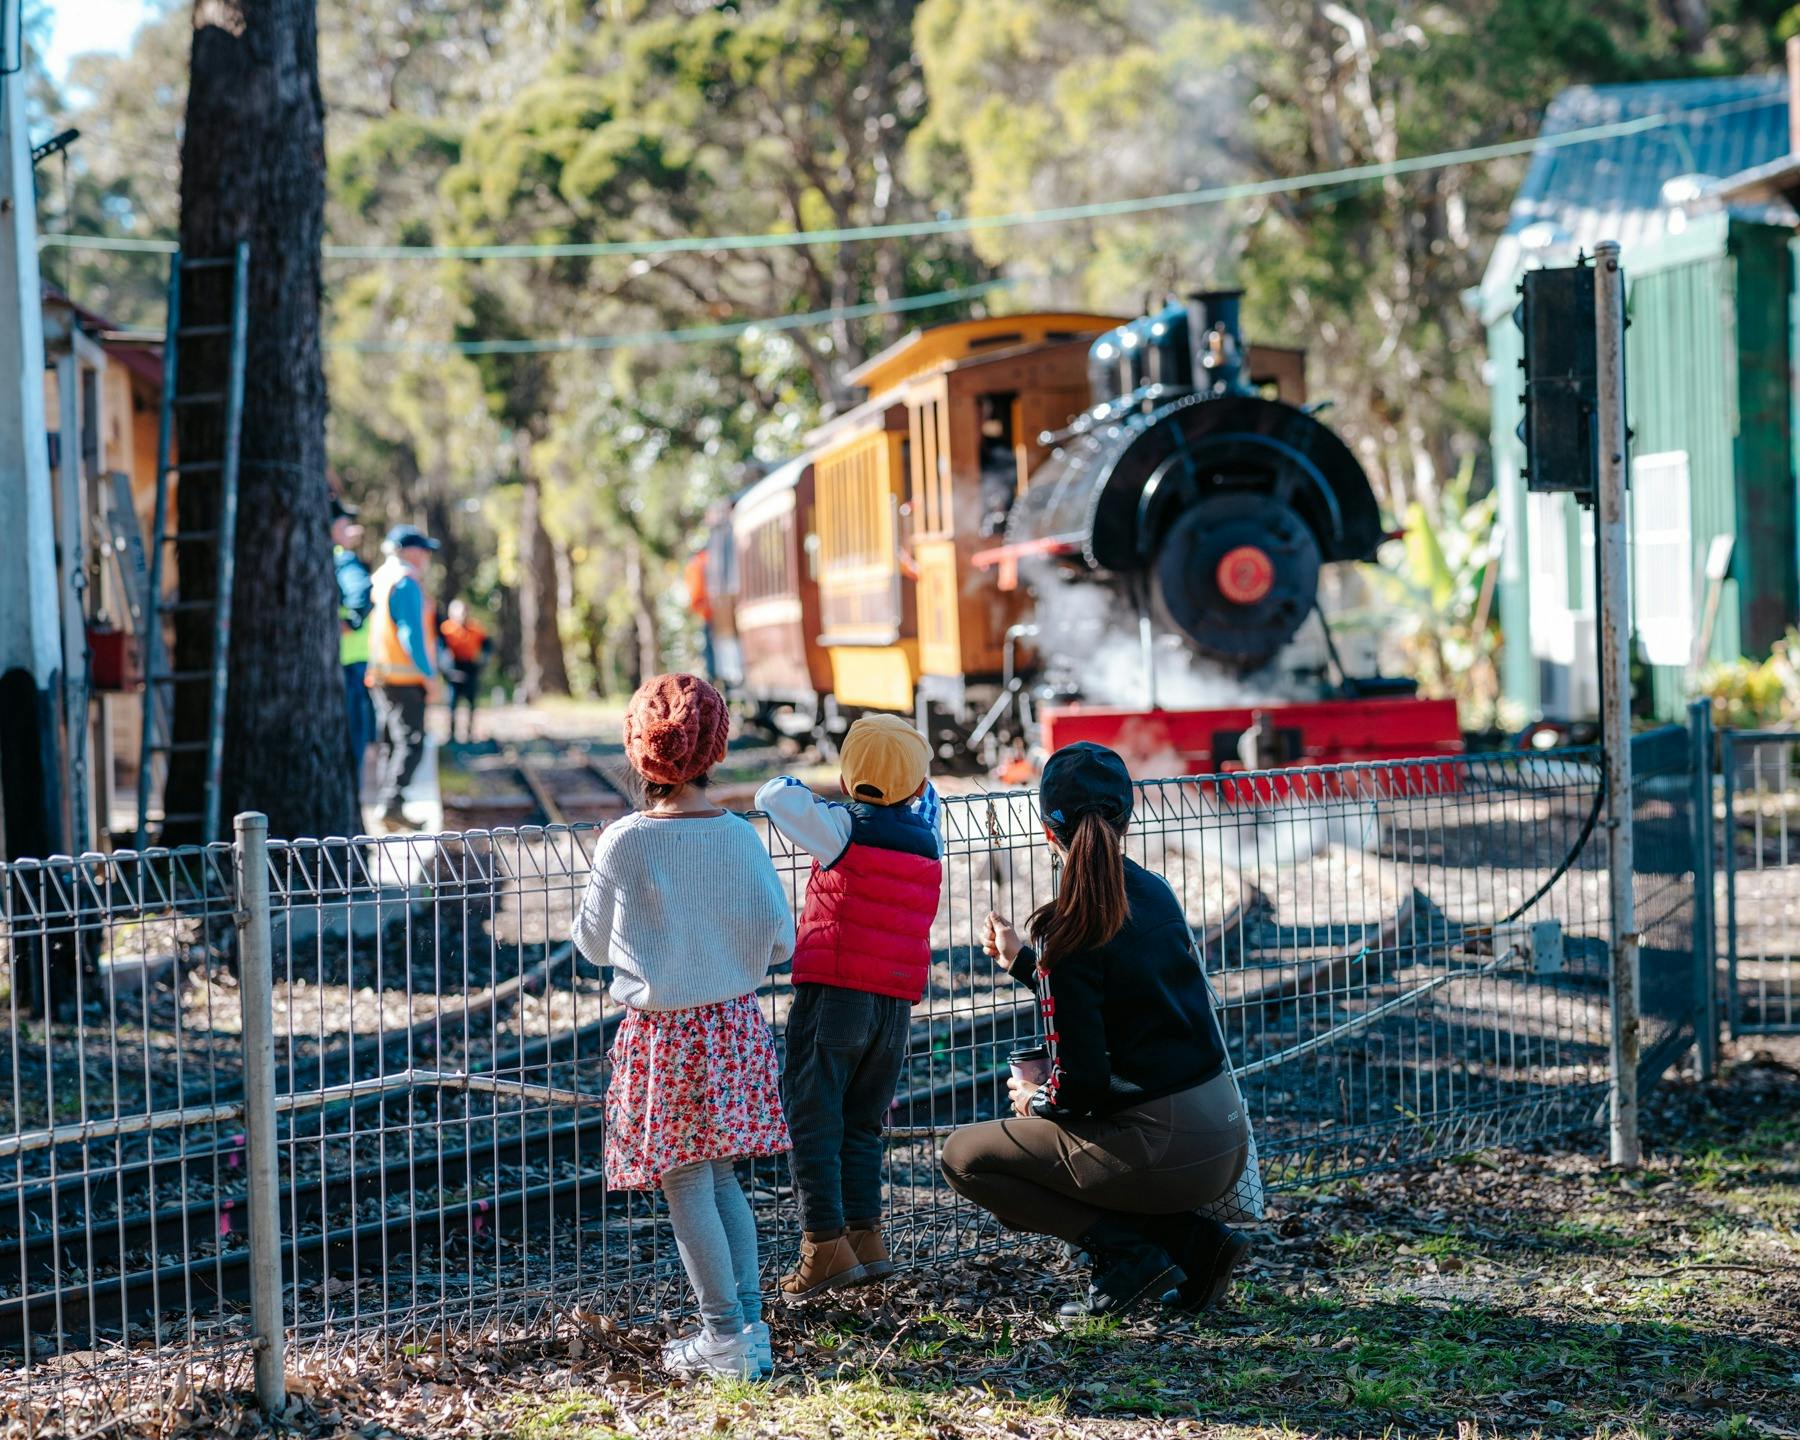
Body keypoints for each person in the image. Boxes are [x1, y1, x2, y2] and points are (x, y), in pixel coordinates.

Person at [940, 742, 1252, 1322]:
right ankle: (1194, 1243)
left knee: (965, 1156)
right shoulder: (1156, 892)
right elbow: (1120, 999)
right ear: (1128, 820)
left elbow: (1079, 1087)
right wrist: (1025, 964)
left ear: (1045, 827)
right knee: (1089, 1146)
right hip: (1222, 1138)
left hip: (1167, 1149)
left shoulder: (1068, 931)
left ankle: (1128, 1257)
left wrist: (1036, 1099)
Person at [572, 674, 794, 1379]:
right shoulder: (739, 837)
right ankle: (747, 1327)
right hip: (732, 1024)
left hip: (663, 1033)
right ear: (715, 746)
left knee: (685, 1183)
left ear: (640, 752)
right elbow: (782, 940)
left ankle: (723, 1336)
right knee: (721, 1177)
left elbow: (591, 943)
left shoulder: (624, 842)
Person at [754, 715, 942, 1302]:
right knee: (862, 1122)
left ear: (846, 775)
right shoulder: (927, 837)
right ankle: (867, 1240)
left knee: (812, 1118)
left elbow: (773, 795)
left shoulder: (841, 829)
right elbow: (924, 796)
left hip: (835, 993)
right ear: (916, 786)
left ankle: (823, 1250)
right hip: (895, 1003)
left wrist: (826, 791)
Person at [365, 524, 442, 833]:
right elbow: (411, 635)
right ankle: (391, 804)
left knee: (391, 743)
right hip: (404, 677)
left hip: (382, 675)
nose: (426, 557)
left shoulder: (381, 579)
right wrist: (429, 676)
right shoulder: (406, 583)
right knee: (412, 741)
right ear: (409, 551)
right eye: (423, 550)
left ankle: (389, 806)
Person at [330, 499, 375, 801]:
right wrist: (352, 621)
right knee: (353, 740)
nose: (352, 531)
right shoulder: (343, 560)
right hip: (350, 663)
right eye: (345, 525)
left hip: (346, 662)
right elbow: (361, 594)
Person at [437, 599, 492, 744]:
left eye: (464, 612)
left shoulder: (476, 629)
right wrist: (446, 668)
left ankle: (469, 733)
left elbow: (487, 645)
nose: (462, 616)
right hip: (453, 668)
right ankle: (451, 734)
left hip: (470, 667)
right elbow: (440, 649)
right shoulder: (446, 629)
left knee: (471, 702)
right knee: (452, 703)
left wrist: (483, 661)